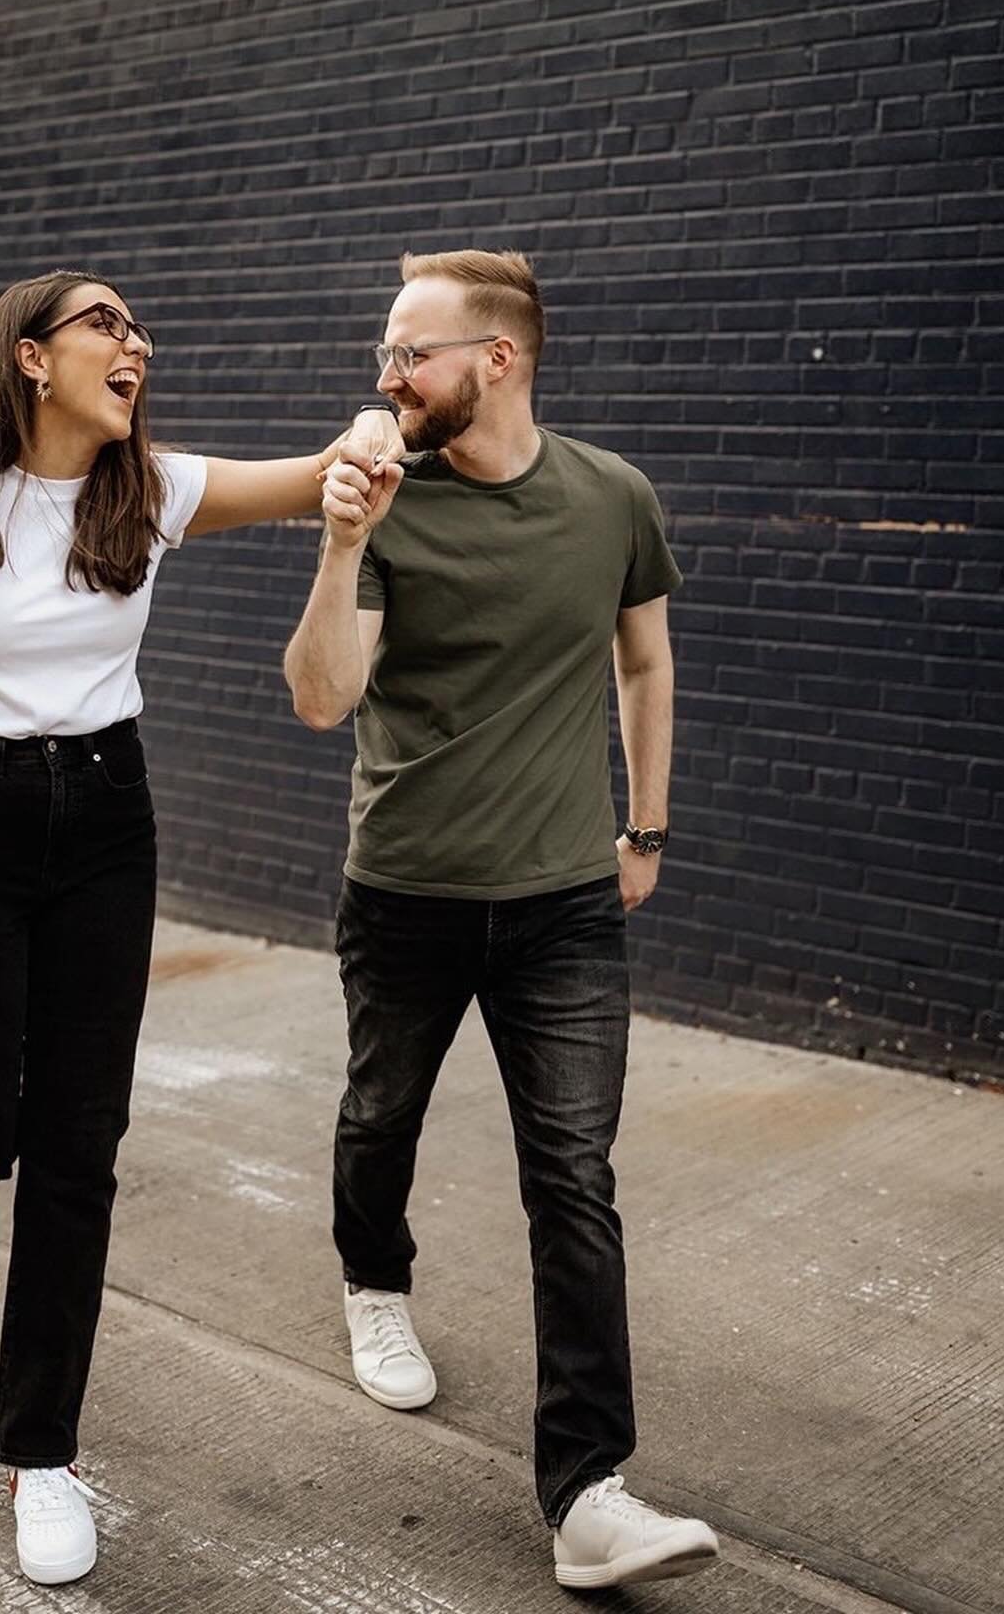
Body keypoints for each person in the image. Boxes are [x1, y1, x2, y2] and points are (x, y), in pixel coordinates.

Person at [0, 270, 401, 1587]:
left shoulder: (146, 490)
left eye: (139, 327)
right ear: (33, 359)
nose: (135, 344)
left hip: (105, 818)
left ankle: (42, 1450)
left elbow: (319, 472)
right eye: (106, 325)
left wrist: (387, 422)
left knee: (79, 1144)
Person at [283, 248, 720, 1591]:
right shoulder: (383, 500)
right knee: (380, 1118)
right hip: (405, 892)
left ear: (499, 360)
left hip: (565, 908)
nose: (388, 373)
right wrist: (344, 539)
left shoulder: (612, 499)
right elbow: (320, 695)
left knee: (573, 1182)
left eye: (413, 350)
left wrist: (644, 827)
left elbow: (642, 658)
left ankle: (588, 1491)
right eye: (387, 353)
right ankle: (374, 1283)